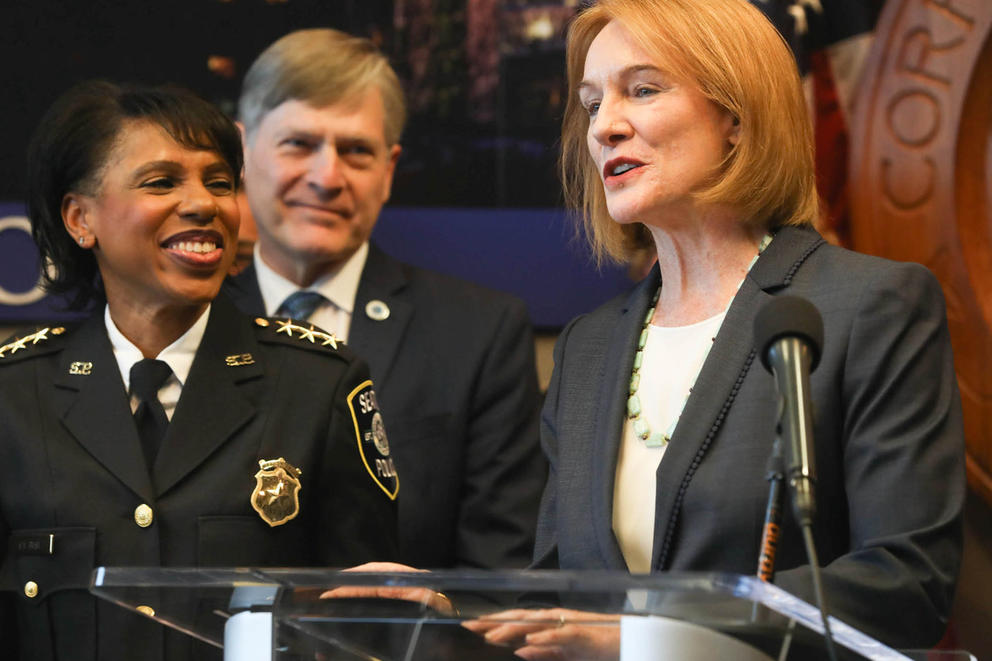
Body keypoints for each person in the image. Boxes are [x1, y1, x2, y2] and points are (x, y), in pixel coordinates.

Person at [475, 0, 965, 656]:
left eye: (642, 90)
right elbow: (557, 593)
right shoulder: (588, 345)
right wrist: (448, 606)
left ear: (735, 117)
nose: (604, 128)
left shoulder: (871, 306)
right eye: (592, 104)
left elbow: (905, 584)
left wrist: (655, 637)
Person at [0, 81, 398, 661]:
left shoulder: (320, 385)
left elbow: (368, 625)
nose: (204, 203)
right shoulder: (15, 394)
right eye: (162, 182)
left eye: (219, 182)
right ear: (80, 219)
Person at [223, 28, 546, 569]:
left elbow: (500, 578)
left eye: (355, 152)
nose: (327, 178)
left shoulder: (478, 334)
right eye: (299, 144)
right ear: (244, 150)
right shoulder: (190, 321)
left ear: (389, 170)